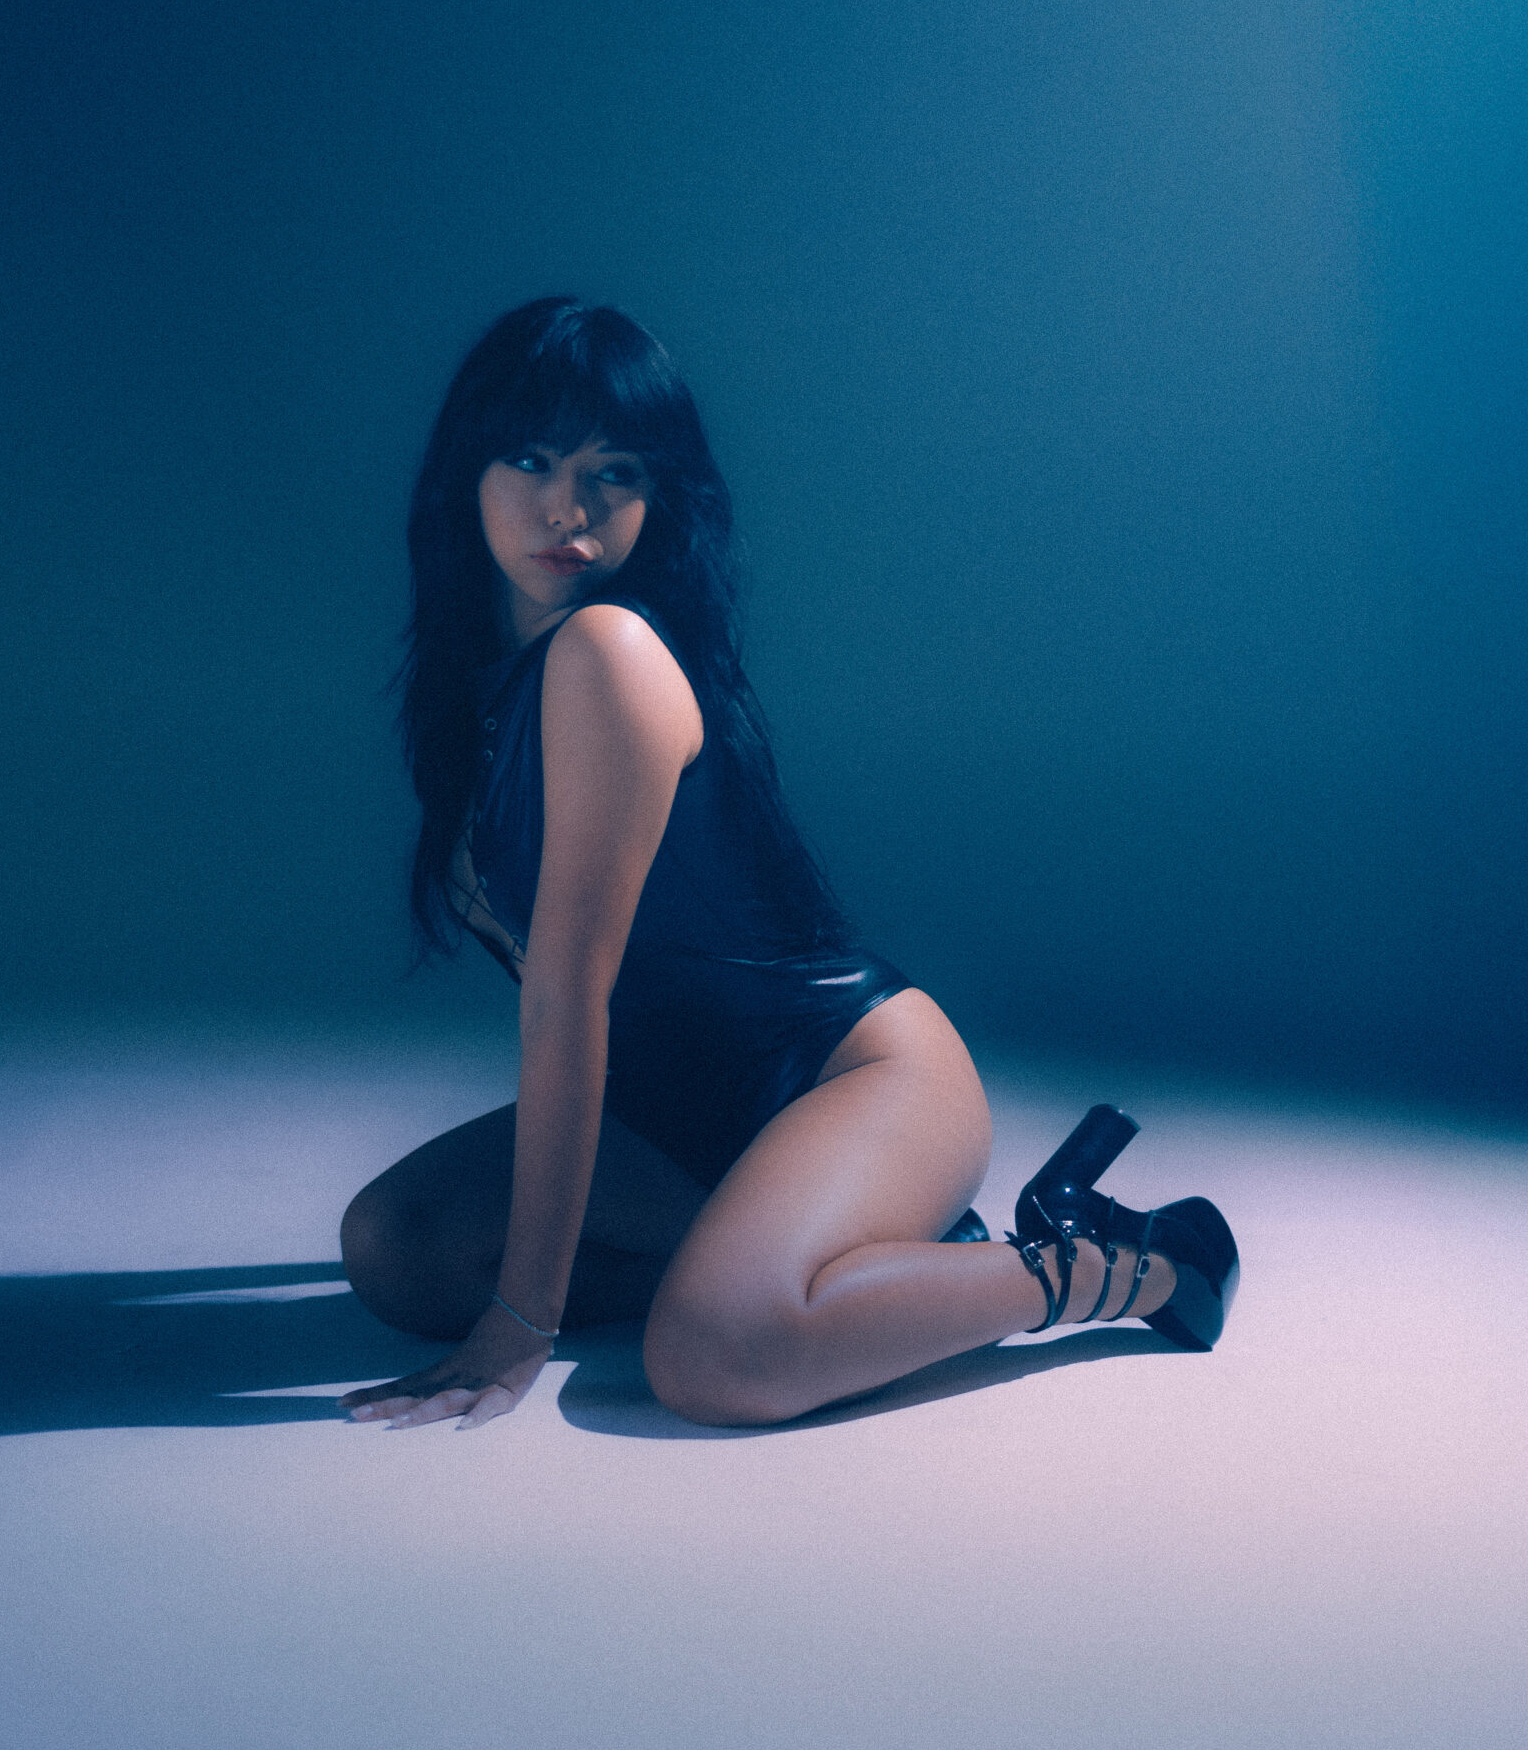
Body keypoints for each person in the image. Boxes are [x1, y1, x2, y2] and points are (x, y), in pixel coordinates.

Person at [339, 299, 1237, 1432]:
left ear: (659, 497)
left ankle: (1128, 1263)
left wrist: (520, 1322)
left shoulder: (607, 652)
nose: (568, 509)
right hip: (671, 1124)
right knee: (397, 1249)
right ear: (463, 472)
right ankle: (859, 1265)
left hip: (849, 1078)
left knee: (715, 1358)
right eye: (531, 459)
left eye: (614, 473)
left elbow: (566, 1001)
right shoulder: (478, 689)